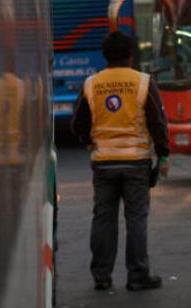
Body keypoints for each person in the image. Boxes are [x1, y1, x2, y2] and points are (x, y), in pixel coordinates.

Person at [70, 31, 170, 291]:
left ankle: (101, 276)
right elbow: (157, 123)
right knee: (136, 218)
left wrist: (88, 140)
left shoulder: (91, 84)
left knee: (103, 218)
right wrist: (164, 154)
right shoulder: (143, 82)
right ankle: (137, 276)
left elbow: (78, 122)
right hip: (136, 163)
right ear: (130, 54)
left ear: (105, 56)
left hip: (104, 163)